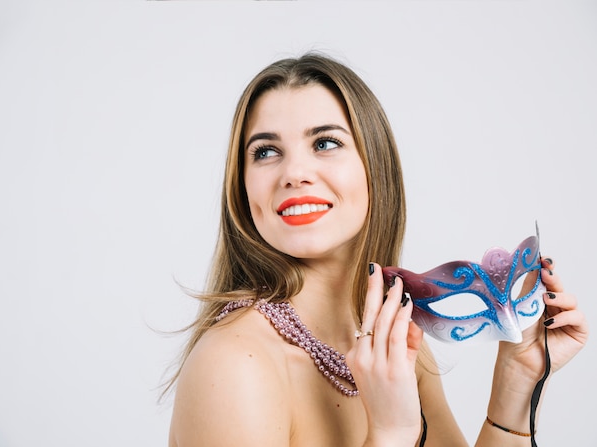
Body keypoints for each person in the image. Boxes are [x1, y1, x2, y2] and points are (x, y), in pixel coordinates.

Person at [166, 53, 588, 446]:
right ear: (243, 187)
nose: (294, 173)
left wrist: (515, 389)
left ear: (375, 166)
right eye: (267, 151)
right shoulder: (235, 363)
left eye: (325, 143)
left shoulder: (395, 343)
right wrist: (390, 431)